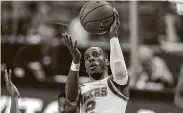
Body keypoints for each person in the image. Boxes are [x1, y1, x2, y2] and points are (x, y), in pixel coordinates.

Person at [64, 8, 129, 113]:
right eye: (87, 58)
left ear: (107, 61)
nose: (91, 58)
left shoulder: (117, 84)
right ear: (85, 68)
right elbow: (70, 98)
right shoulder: (82, 88)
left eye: (96, 54)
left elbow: (119, 67)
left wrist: (113, 35)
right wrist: (76, 61)